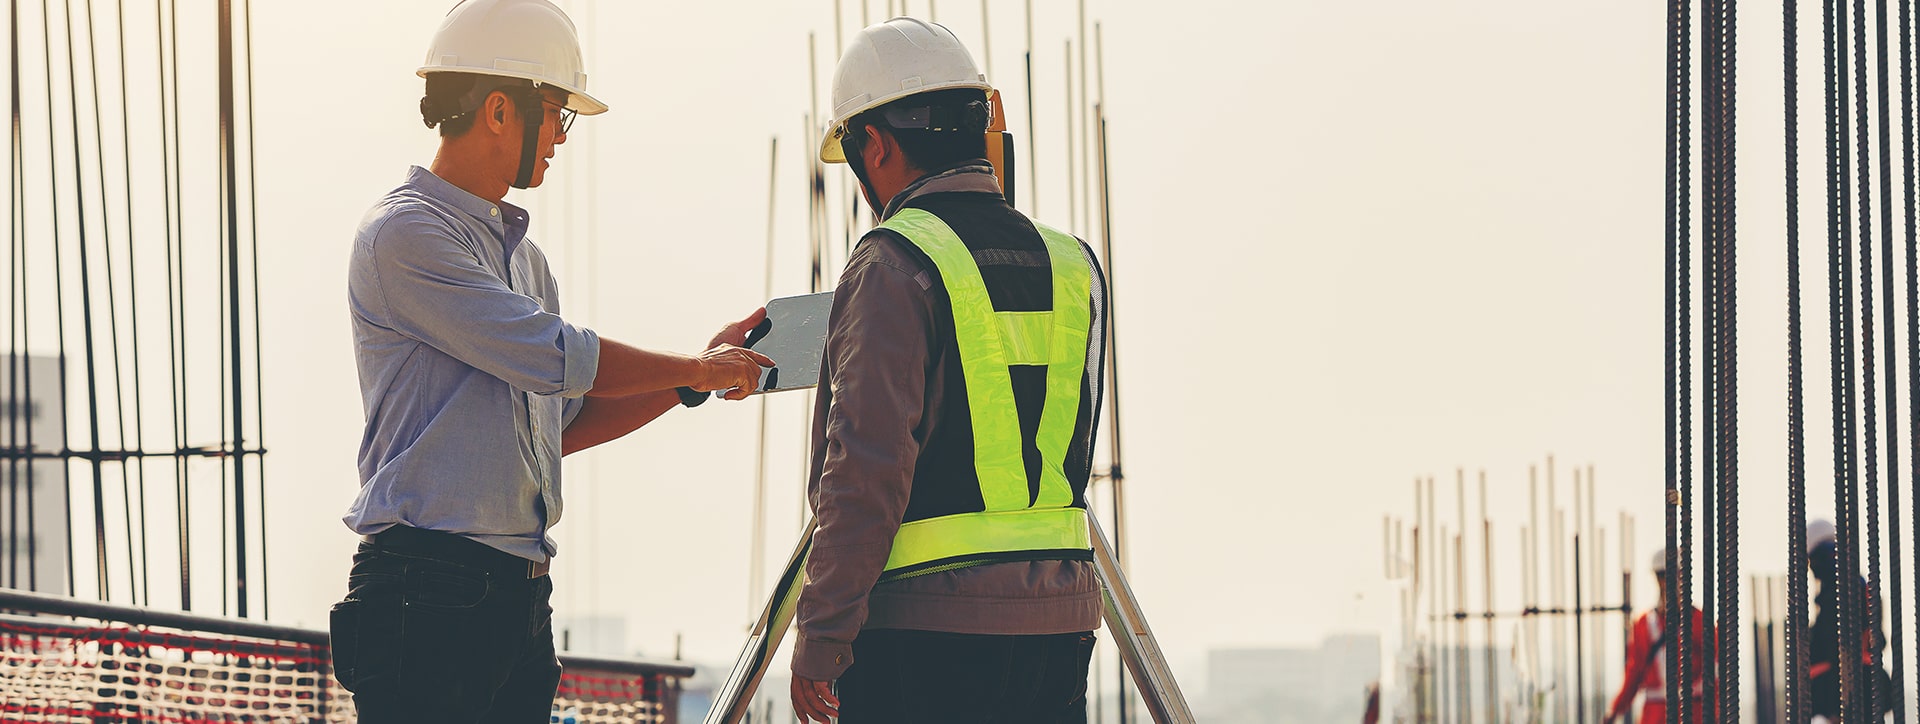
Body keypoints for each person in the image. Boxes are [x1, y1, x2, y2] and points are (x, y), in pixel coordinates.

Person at [327, 1, 771, 720]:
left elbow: (559, 426)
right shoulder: (404, 233)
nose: (562, 139)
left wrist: (692, 383)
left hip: (517, 598)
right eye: (558, 115)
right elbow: (553, 355)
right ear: (500, 110)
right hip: (426, 591)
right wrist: (695, 366)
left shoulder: (526, 263)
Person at [787, 16, 1111, 724]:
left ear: (875, 145)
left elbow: (865, 471)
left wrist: (823, 632)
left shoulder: (892, 263)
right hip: (1060, 631)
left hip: (925, 636)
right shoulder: (1074, 264)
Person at [1606, 549, 1718, 724]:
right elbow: (1633, 674)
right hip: (1657, 716)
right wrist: (1614, 710)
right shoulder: (1643, 625)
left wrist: (1717, 713)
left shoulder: (1700, 622)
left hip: (1693, 713)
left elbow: (1716, 670)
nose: (1668, 581)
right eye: (1664, 576)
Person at [1807, 518, 1893, 722]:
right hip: (1859, 689)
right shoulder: (1859, 589)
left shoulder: (1840, 596)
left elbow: (1836, 649)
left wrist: (1834, 708)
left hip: (1846, 693)